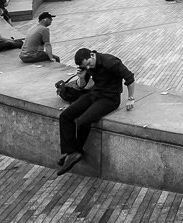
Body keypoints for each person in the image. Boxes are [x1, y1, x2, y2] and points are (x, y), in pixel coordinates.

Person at [57, 47, 136, 175]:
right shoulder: (87, 66)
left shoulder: (110, 61)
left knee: (83, 121)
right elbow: (82, 85)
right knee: (65, 116)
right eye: (85, 66)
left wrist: (131, 98)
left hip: (110, 98)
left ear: (92, 55)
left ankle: (77, 151)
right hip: (95, 94)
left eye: (88, 64)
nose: (88, 67)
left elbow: (130, 78)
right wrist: (82, 77)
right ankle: (71, 152)